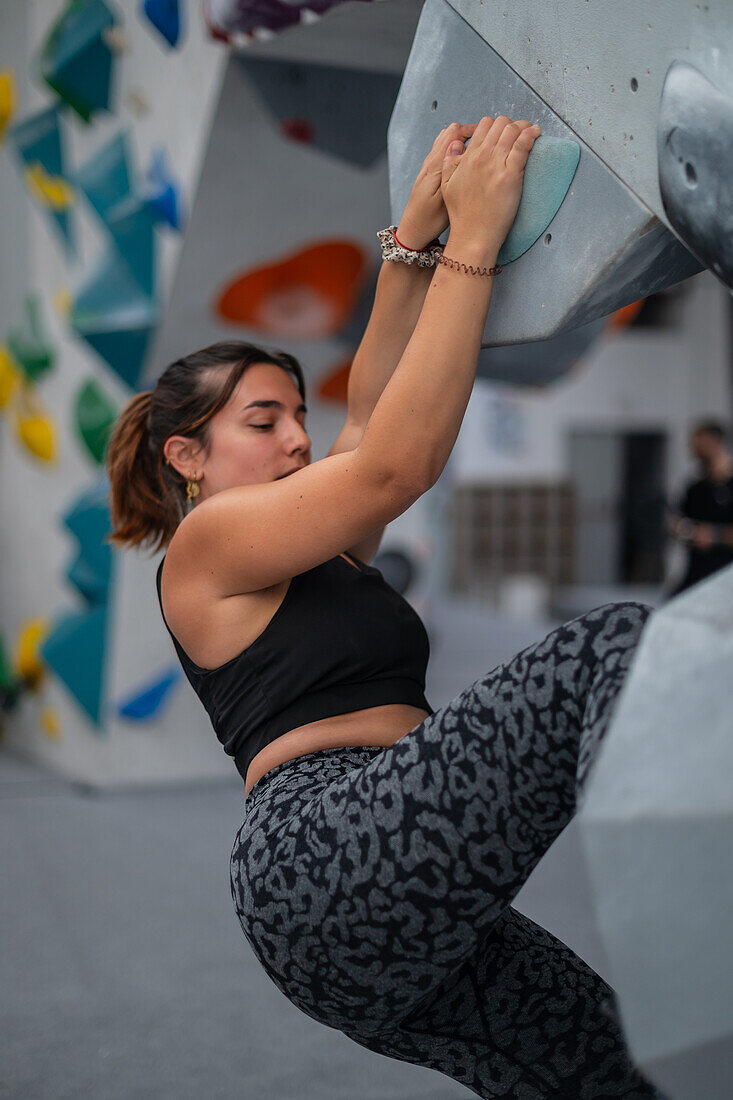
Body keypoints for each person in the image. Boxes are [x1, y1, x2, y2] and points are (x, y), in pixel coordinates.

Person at [107, 117, 661, 1098]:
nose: (293, 435)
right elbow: (395, 465)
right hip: (325, 853)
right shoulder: (206, 543)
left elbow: (368, 420)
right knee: (602, 650)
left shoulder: (316, 550)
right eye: (261, 418)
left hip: (365, 897)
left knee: (604, 1068)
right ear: (186, 456)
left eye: (295, 413)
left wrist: (409, 238)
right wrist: (474, 246)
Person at [667, 420, 733, 597]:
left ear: (715, 441)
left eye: (699, 443)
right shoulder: (695, 489)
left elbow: (712, 534)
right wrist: (681, 530)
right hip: (697, 577)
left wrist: (715, 535)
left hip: (726, 577)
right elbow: (679, 521)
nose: (693, 449)